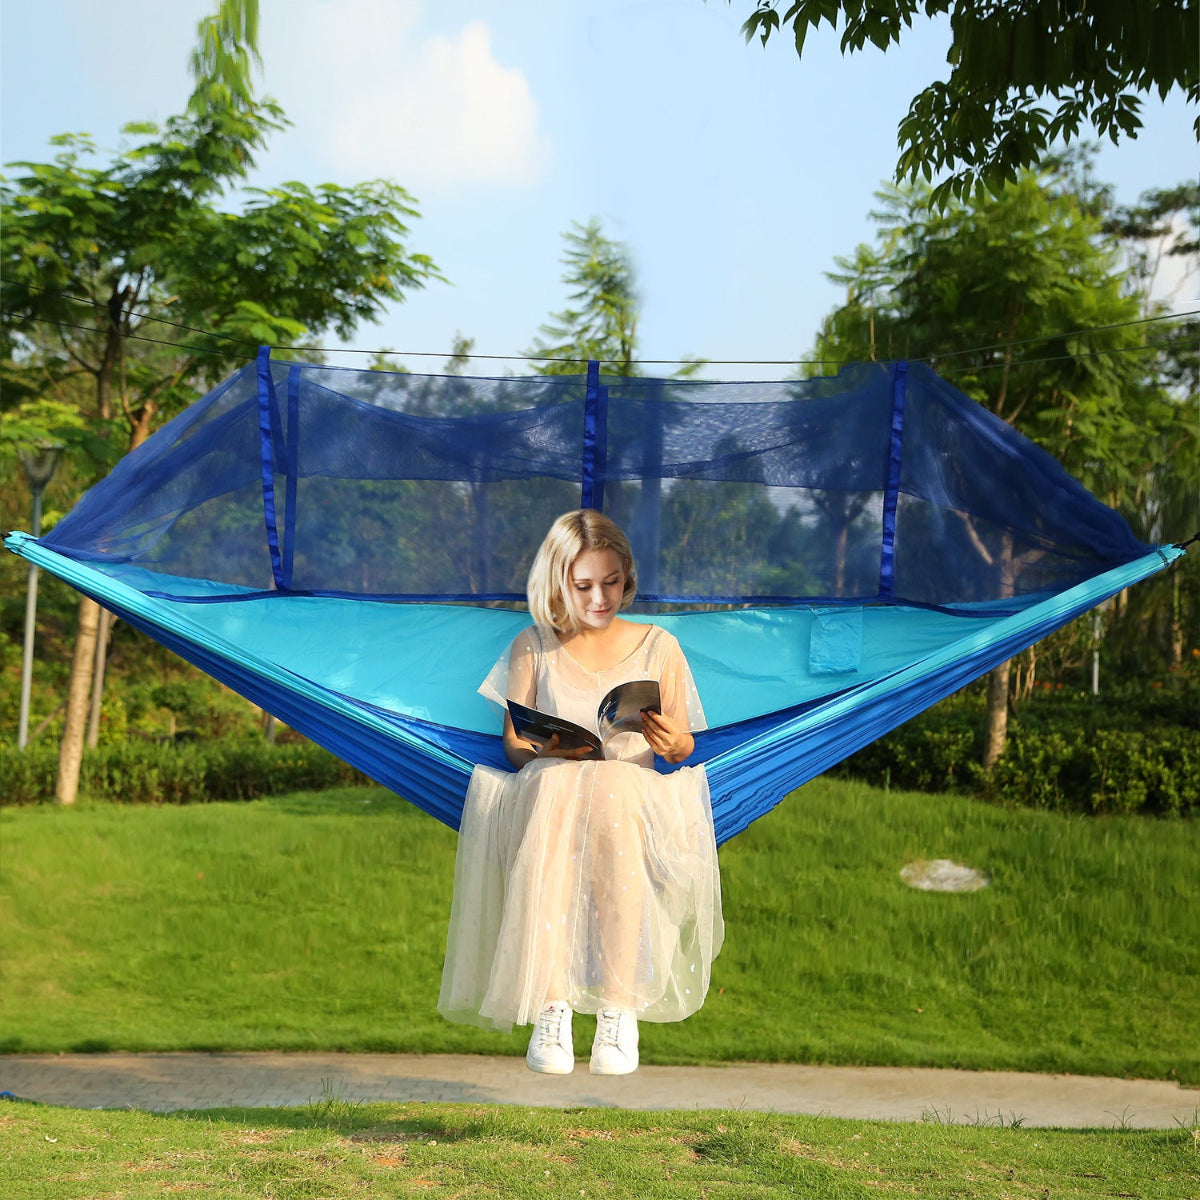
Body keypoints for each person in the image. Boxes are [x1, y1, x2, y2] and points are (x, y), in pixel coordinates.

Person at [439, 509, 724, 1075]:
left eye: (612, 581)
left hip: (633, 802)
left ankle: (618, 1011)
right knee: (553, 784)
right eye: (583, 585)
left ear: (628, 577)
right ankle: (553, 1005)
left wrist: (674, 743)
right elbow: (514, 747)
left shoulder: (658, 645)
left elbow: (683, 746)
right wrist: (546, 750)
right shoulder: (533, 645)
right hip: (552, 799)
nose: (600, 597)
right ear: (559, 583)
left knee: (614, 785)